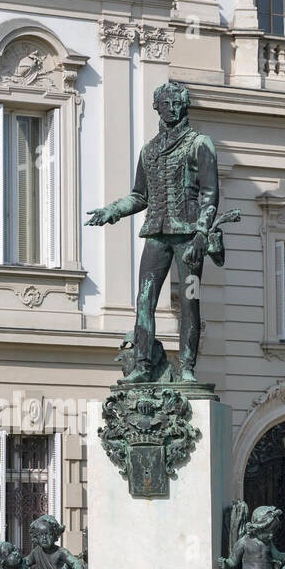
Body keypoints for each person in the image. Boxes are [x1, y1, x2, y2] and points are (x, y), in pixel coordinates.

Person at [85, 80, 223, 384]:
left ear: (185, 106)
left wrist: (201, 234)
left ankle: (187, 366)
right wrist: (112, 210)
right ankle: (143, 365)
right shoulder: (149, 150)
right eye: (165, 104)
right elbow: (139, 196)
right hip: (157, 234)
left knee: (189, 301)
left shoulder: (200, 143)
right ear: (156, 107)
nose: (171, 109)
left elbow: (210, 196)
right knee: (144, 300)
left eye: (177, 103)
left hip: (188, 236)